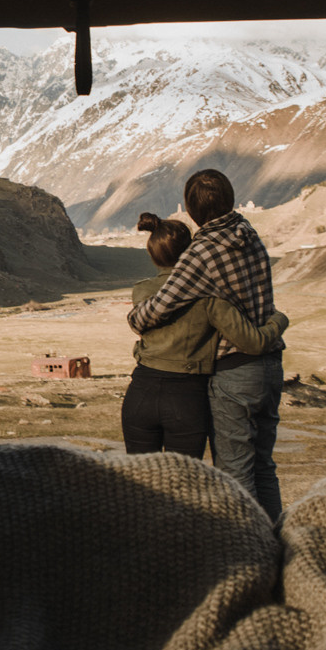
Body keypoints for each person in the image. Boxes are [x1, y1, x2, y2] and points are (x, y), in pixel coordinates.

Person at [128, 169, 286, 519]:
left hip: (235, 370)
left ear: (191, 209)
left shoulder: (200, 254)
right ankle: (277, 545)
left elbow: (157, 308)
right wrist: (278, 320)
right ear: (230, 198)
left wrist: (135, 318)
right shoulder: (248, 232)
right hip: (272, 366)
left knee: (235, 474)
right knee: (263, 467)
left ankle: (249, 552)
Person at [123, 213, 289, 459]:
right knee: (185, 487)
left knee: (139, 485)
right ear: (192, 252)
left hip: (139, 394)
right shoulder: (210, 298)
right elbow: (254, 343)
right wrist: (279, 320)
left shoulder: (142, 291)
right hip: (186, 400)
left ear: (152, 255)